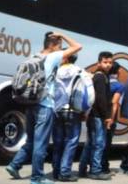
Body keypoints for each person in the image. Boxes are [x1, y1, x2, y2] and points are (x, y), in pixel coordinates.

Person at [6, 32, 82, 184]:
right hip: (44, 105)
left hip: (30, 104)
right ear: (52, 45)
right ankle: (37, 178)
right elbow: (78, 46)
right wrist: (63, 34)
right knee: (41, 143)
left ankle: (14, 165)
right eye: (59, 46)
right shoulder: (52, 57)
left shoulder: (35, 57)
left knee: (31, 140)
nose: (61, 50)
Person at [79, 51, 113, 181]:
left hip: (94, 115)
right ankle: (95, 171)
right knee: (99, 144)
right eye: (105, 62)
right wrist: (107, 116)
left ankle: (83, 169)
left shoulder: (100, 76)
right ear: (99, 63)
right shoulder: (100, 77)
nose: (108, 65)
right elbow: (101, 99)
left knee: (90, 143)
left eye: (110, 62)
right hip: (98, 116)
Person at [51, 53, 83, 182]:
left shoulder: (55, 71)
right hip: (73, 111)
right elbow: (87, 93)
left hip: (57, 110)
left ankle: (56, 171)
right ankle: (65, 172)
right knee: (71, 141)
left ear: (65, 58)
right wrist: (85, 110)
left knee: (58, 142)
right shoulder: (80, 71)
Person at [101, 62, 125, 175]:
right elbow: (115, 103)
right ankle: (104, 167)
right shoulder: (118, 86)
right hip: (109, 117)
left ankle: (92, 166)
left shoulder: (103, 81)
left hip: (98, 115)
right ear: (118, 71)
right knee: (106, 143)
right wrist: (110, 118)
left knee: (96, 143)